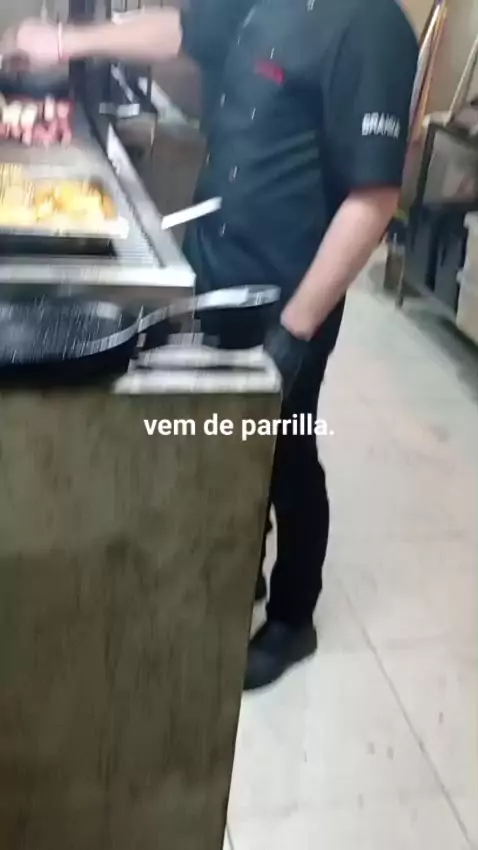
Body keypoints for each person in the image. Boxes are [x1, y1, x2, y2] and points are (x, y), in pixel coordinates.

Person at [1, 0, 418, 691]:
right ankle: (239, 564)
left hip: (289, 290)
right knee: (223, 434)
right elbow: (184, 31)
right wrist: (69, 41)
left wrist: (295, 331)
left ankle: (293, 617)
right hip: (218, 263)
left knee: (286, 449)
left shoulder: (371, 26)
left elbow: (372, 200)